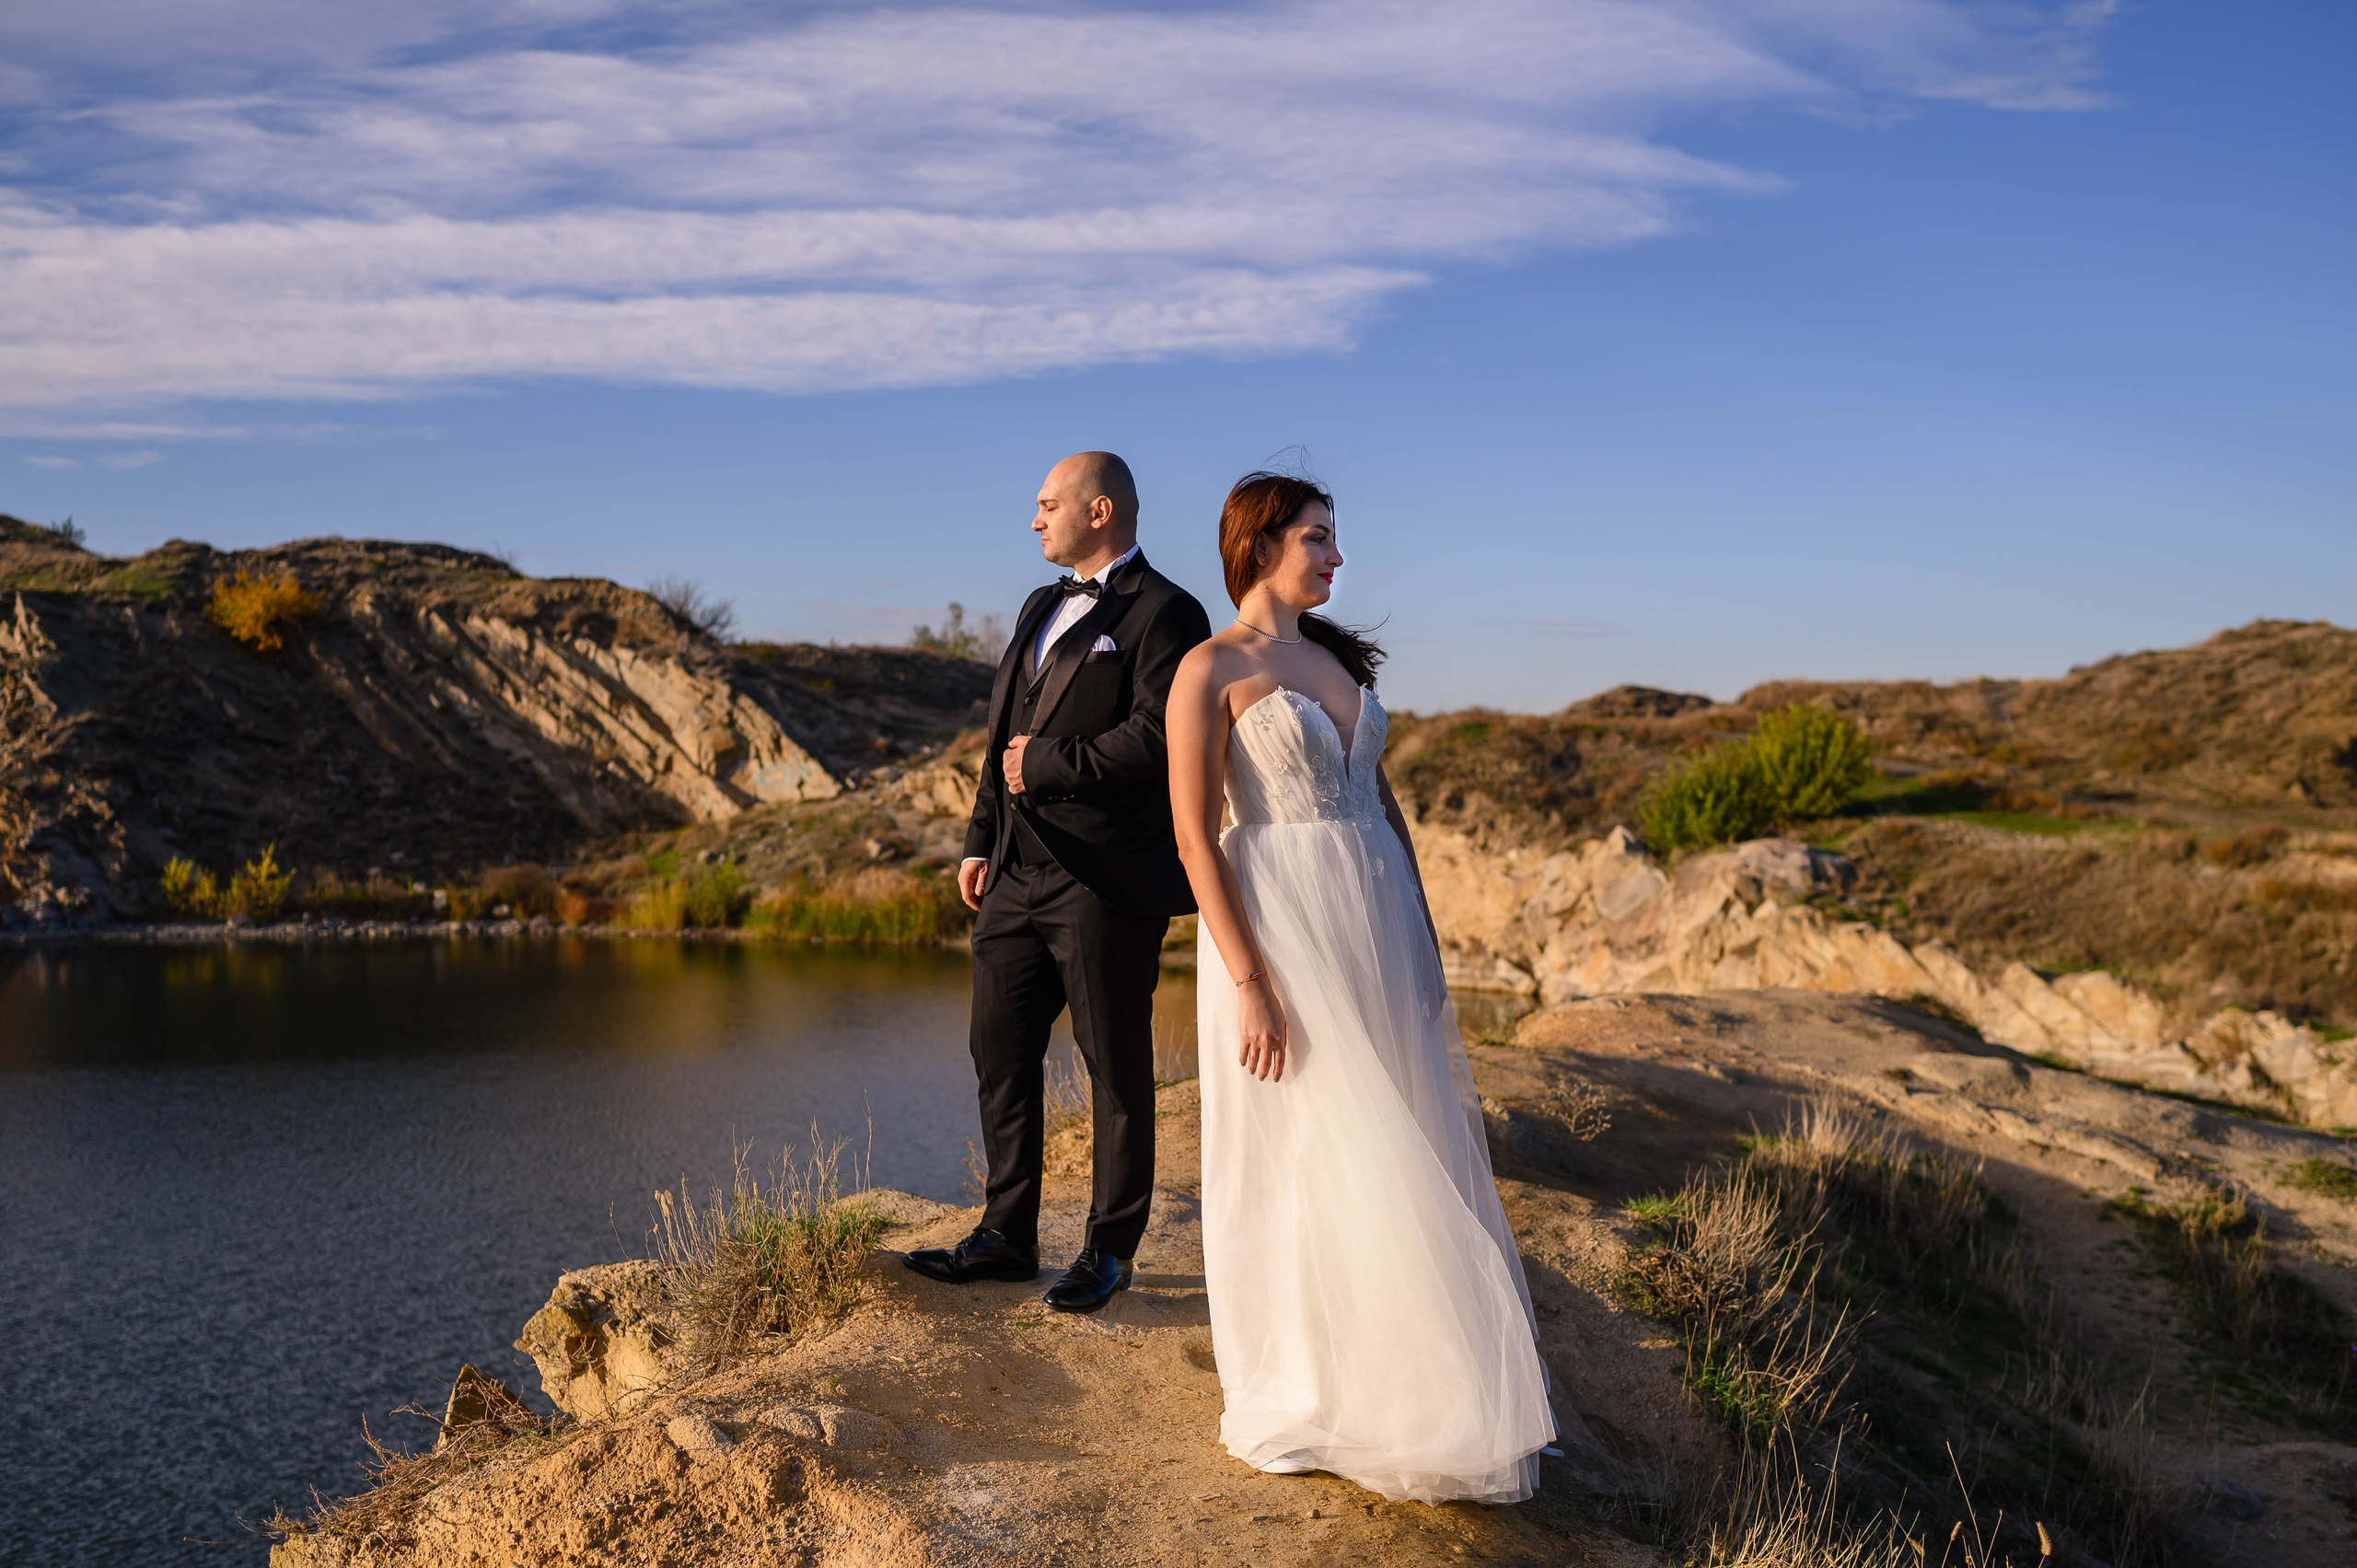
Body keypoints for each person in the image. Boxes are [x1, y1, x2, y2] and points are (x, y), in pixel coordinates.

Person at [1164, 471, 1557, 1503]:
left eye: (1335, 538)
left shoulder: (1334, 658)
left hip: (1375, 918)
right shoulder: (1207, 667)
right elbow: (1193, 837)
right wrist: (1249, 981)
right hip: (1281, 924)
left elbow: (1383, 805)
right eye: (1318, 537)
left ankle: (1404, 1378)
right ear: (1259, 543)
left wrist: (1424, 934)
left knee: (1395, 1133)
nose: (1336, 557)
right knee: (1302, 1142)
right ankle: (1304, 1382)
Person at [904, 451, 1213, 1313]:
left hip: (1103, 879)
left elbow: (1159, 738)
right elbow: (1000, 728)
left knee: (1114, 1067)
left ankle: (1109, 1250)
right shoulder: (1041, 605)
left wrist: (1049, 764)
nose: (1035, 520)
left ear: (1100, 509)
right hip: (1013, 872)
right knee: (996, 1048)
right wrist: (978, 838)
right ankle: (1008, 1234)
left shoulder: (1168, 613)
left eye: (1047, 505)